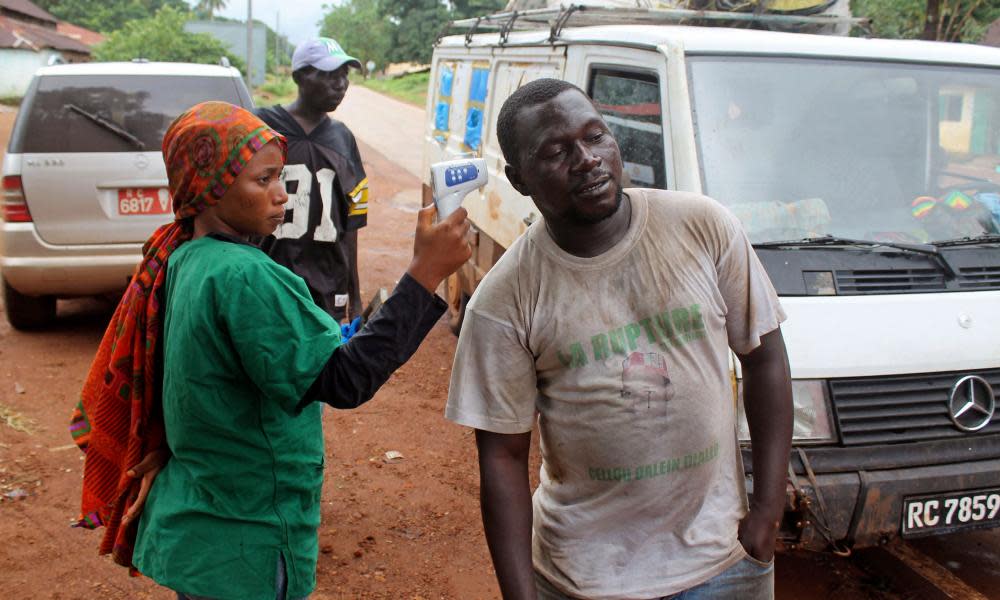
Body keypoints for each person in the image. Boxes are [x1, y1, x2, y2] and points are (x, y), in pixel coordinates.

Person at [70, 101, 471, 599]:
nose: (283, 195)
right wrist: (426, 272)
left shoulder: (181, 256)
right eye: (263, 181)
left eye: (281, 177)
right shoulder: (246, 276)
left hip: (200, 533)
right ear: (211, 188)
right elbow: (345, 379)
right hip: (248, 544)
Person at [444, 78, 794, 600]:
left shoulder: (703, 227)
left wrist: (766, 514)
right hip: (584, 577)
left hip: (724, 563)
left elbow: (765, 358)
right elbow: (502, 459)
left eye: (596, 136)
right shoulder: (504, 301)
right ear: (519, 180)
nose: (587, 159)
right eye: (557, 152)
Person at [255, 37, 368, 322]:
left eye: (345, 74)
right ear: (299, 77)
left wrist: (354, 297)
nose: (341, 84)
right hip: (267, 283)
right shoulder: (261, 127)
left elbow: (351, 222)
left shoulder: (343, 139)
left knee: (323, 363)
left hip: (327, 289)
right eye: (330, 74)